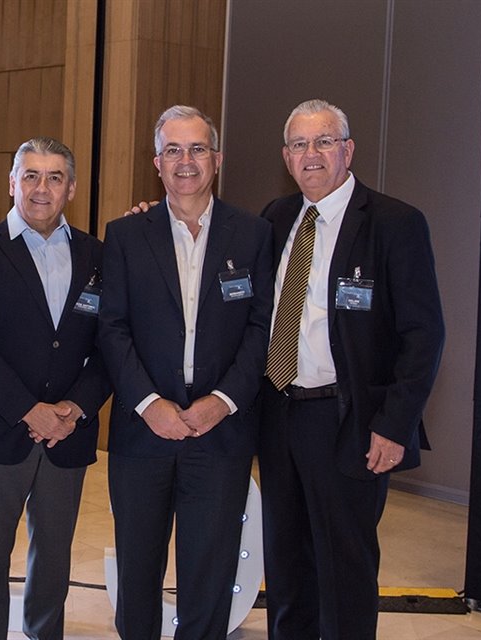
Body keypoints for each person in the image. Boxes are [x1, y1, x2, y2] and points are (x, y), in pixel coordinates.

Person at [257, 98, 444, 639]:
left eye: (323, 142)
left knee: (345, 566)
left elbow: (423, 335)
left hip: (350, 422)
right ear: (287, 157)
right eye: (299, 144)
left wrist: (394, 424)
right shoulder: (275, 217)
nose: (311, 154)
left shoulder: (394, 223)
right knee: (287, 565)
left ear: (348, 150)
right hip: (278, 415)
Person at [99, 105, 273, 639]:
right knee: (138, 570)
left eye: (197, 148)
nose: (185, 161)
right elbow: (112, 329)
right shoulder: (126, 235)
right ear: (157, 162)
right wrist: (150, 405)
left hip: (220, 434)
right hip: (142, 434)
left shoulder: (254, 234)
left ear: (216, 159)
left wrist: (221, 401)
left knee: (209, 572)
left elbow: (262, 329)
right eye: (173, 149)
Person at [0, 137, 111, 640]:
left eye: (55, 177)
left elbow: (112, 345)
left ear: (72, 188)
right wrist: (29, 410)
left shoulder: (98, 255)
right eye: (32, 176)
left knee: (54, 556)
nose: (43, 188)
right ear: (12, 182)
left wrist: (75, 408)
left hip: (69, 434)